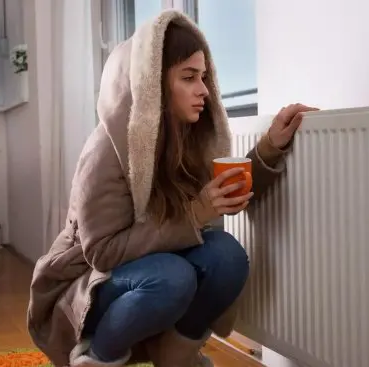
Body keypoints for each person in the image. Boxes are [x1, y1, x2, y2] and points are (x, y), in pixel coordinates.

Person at [27, 9, 317, 367]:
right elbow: (102, 252)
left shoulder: (188, 137)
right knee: (172, 277)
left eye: (204, 77)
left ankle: (174, 357)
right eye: (189, 77)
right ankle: (97, 356)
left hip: (153, 267)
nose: (204, 91)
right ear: (154, 84)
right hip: (89, 284)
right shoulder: (106, 149)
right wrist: (195, 214)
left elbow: (223, 193)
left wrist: (270, 146)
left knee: (226, 256)